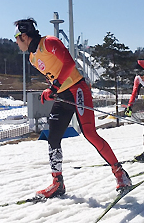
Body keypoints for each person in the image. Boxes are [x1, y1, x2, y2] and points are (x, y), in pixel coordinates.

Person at [14, 18, 131, 198]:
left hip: (78, 89)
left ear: (24, 35)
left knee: (90, 133)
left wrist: (55, 87)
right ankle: (57, 183)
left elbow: (69, 64)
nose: (15, 41)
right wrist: (50, 89)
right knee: (53, 136)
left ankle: (120, 174)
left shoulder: (49, 42)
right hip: (62, 94)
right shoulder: (32, 57)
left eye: (16, 37)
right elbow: (54, 73)